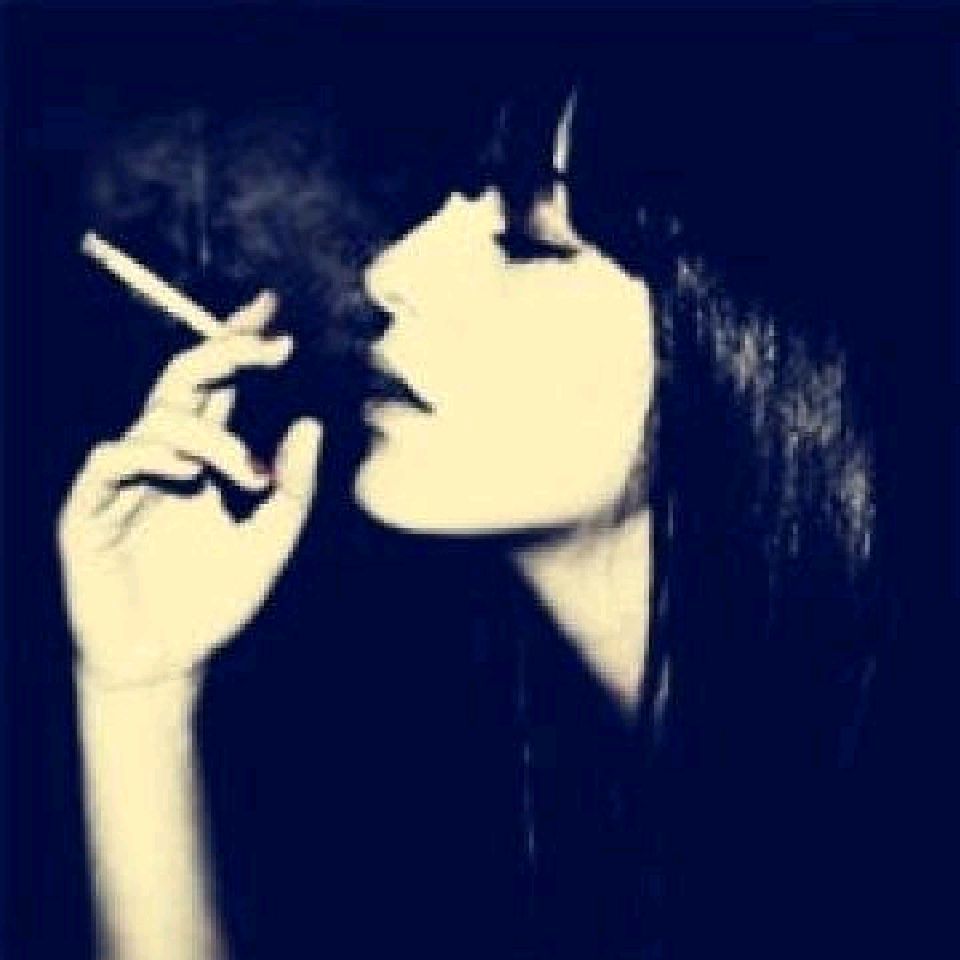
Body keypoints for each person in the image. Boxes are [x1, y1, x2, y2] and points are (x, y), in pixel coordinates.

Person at [56, 68, 878, 960]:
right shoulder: (474, 793)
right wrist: (140, 695)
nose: (390, 272)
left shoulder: (886, 861)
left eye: (529, 240)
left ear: (760, 344)